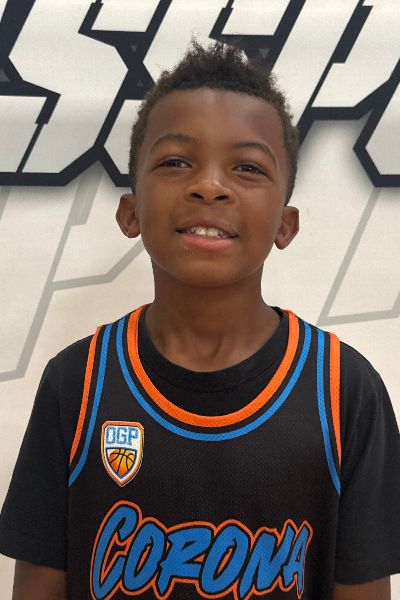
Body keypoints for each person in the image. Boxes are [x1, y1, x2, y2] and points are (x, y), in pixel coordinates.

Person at [0, 41, 399, 600]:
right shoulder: (77, 382)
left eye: (247, 167)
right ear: (130, 212)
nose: (209, 185)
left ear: (285, 225)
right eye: (175, 162)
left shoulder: (345, 392)